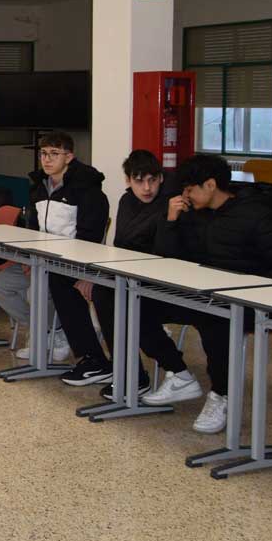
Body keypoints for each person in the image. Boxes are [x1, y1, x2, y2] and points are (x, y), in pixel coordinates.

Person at [138, 154, 272, 433]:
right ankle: (180, 374)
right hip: (204, 294)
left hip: (250, 300)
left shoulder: (258, 216)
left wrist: (245, 290)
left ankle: (222, 394)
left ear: (210, 185)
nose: (185, 196)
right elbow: (166, 261)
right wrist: (170, 221)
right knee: (136, 302)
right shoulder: (192, 213)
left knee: (215, 317)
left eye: (190, 189)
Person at [0, 131, 109, 362]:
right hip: (40, 261)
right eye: (43, 153)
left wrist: (84, 272)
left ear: (69, 157)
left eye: (54, 153)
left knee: (36, 291)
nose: (47, 159)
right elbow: (31, 229)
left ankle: (55, 332)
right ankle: (50, 331)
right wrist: (27, 258)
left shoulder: (87, 190)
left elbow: (91, 237)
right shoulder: (39, 187)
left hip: (69, 265)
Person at [79, 150, 170, 399]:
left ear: (161, 178)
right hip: (130, 274)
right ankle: (125, 371)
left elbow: (162, 252)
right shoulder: (126, 201)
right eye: (139, 181)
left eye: (152, 180)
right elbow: (121, 245)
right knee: (99, 291)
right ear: (128, 181)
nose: (147, 188)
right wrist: (97, 275)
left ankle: (134, 376)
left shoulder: (169, 205)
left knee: (109, 297)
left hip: (160, 279)